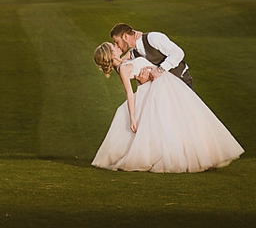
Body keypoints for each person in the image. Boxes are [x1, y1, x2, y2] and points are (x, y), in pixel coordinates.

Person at [90, 42, 243, 172]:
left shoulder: (124, 62)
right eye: (113, 46)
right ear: (111, 54)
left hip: (165, 84)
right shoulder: (123, 68)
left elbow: (133, 55)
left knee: (183, 119)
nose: (117, 46)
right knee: (172, 123)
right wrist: (132, 118)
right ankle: (189, 156)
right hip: (159, 88)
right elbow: (130, 94)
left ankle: (202, 153)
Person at [110, 22, 194, 89]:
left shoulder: (153, 38)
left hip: (181, 82)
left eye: (117, 42)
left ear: (125, 36)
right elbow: (121, 67)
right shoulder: (134, 53)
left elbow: (178, 53)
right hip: (166, 89)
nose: (117, 45)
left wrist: (160, 69)